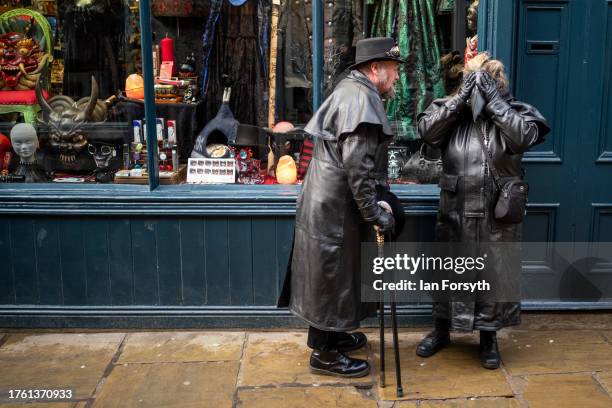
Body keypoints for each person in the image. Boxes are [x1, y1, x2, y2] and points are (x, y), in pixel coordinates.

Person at [277, 37, 405, 378]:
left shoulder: (353, 89)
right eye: (393, 70)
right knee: (332, 277)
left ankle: (331, 337)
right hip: (335, 206)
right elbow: (358, 171)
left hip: (328, 200)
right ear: (375, 69)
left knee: (330, 276)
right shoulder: (362, 100)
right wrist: (375, 214)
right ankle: (325, 356)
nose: (396, 78)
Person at [416, 53, 550, 369]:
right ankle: (441, 330)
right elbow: (428, 132)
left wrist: (495, 101)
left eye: (485, 84)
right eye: (472, 84)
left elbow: (525, 136)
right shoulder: (450, 113)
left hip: (496, 216)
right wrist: (461, 97)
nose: (477, 90)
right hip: (456, 210)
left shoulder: (515, 113)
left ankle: (488, 338)